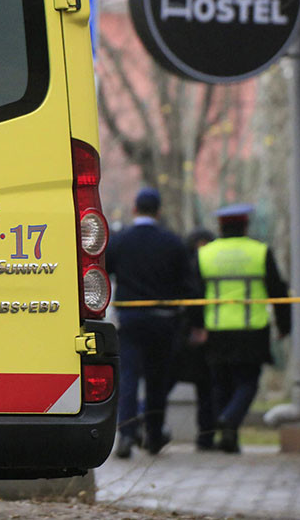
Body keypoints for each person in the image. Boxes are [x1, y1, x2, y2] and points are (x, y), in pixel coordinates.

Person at [106, 187, 195, 458]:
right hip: (162, 321)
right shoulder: (172, 242)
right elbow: (187, 284)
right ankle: (154, 435)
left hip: (130, 320)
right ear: (159, 211)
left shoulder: (121, 240)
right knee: (157, 378)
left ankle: (126, 434)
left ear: (134, 209)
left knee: (129, 376)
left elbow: (104, 270)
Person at [196, 203, 291, 453]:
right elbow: (277, 290)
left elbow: (195, 294)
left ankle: (228, 436)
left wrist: (197, 326)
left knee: (221, 385)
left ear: (220, 227)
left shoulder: (206, 254)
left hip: (216, 329)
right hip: (252, 330)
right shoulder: (259, 252)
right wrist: (284, 325)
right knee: (248, 383)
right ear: (246, 225)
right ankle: (229, 420)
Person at [171, 228, 217, 451]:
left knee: (171, 380)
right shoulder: (200, 264)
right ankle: (206, 436)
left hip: (185, 332)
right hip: (195, 333)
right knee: (205, 387)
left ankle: (205, 436)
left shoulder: (182, 263)